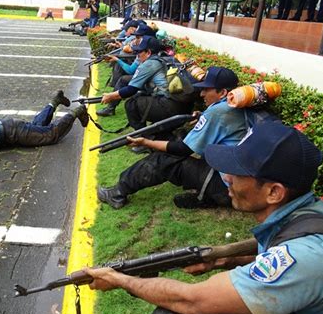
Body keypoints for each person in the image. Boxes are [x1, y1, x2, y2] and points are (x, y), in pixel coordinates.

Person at [86, 121, 323, 314]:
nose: (226, 177)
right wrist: (222, 261)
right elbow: (273, 255)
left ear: (274, 192)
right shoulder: (313, 213)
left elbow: (191, 301)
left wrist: (119, 279)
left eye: (237, 173)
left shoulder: (307, 256)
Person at [97, 67, 245, 209]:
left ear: (223, 92)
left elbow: (184, 150)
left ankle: (116, 194)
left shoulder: (219, 111)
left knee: (163, 160)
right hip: (238, 181)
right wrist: (202, 117)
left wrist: (147, 142)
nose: (201, 94)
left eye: (207, 89)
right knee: (175, 142)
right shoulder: (237, 104)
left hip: (227, 188)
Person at [99, 36, 193, 145]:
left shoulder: (149, 64)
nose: (137, 54)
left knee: (131, 104)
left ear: (148, 52)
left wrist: (111, 96)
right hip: (180, 105)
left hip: (171, 106)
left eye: (139, 51)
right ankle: (160, 135)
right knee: (140, 97)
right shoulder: (159, 59)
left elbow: (131, 90)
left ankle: (143, 139)